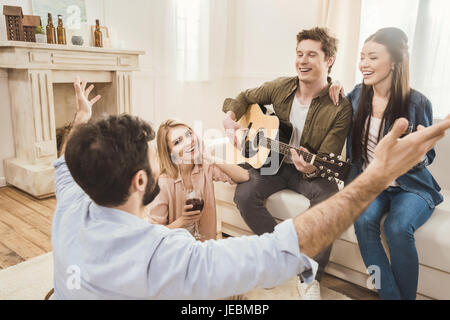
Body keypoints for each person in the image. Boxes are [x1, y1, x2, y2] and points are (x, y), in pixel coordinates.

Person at [52, 76, 450, 299]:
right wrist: (376, 176)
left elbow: (65, 161)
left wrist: (82, 118)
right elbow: (277, 251)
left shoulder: (69, 206)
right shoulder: (167, 254)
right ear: (141, 180)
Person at [222, 26, 353, 299]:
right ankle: (283, 258)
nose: (302, 61)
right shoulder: (282, 86)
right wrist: (230, 119)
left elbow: (328, 153)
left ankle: (309, 277)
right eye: (299, 54)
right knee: (245, 194)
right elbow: (245, 96)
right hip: (274, 163)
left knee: (330, 203)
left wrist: (312, 167)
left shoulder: (340, 106)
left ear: (328, 60)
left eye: (311, 55)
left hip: (309, 169)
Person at [329, 27, 443, 300]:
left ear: (393, 63)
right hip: (372, 184)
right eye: (362, 57)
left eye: (372, 58)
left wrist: (416, 154)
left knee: (397, 227)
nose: (364, 64)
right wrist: (330, 86)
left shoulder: (417, 102)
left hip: (410, 186)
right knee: (363, 221)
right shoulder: (357, 95)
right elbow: (329, 118)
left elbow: (428, 153)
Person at [146, 119, 249, 241]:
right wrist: (183, 221)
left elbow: (244, 176)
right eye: (177, 142)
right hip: (177, 252)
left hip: (205, 247)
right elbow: (153, 235)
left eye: (189, 134)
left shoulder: (204, 166)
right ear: (169, 152)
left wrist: (209, 157)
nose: (189, 142)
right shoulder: (162, 183)